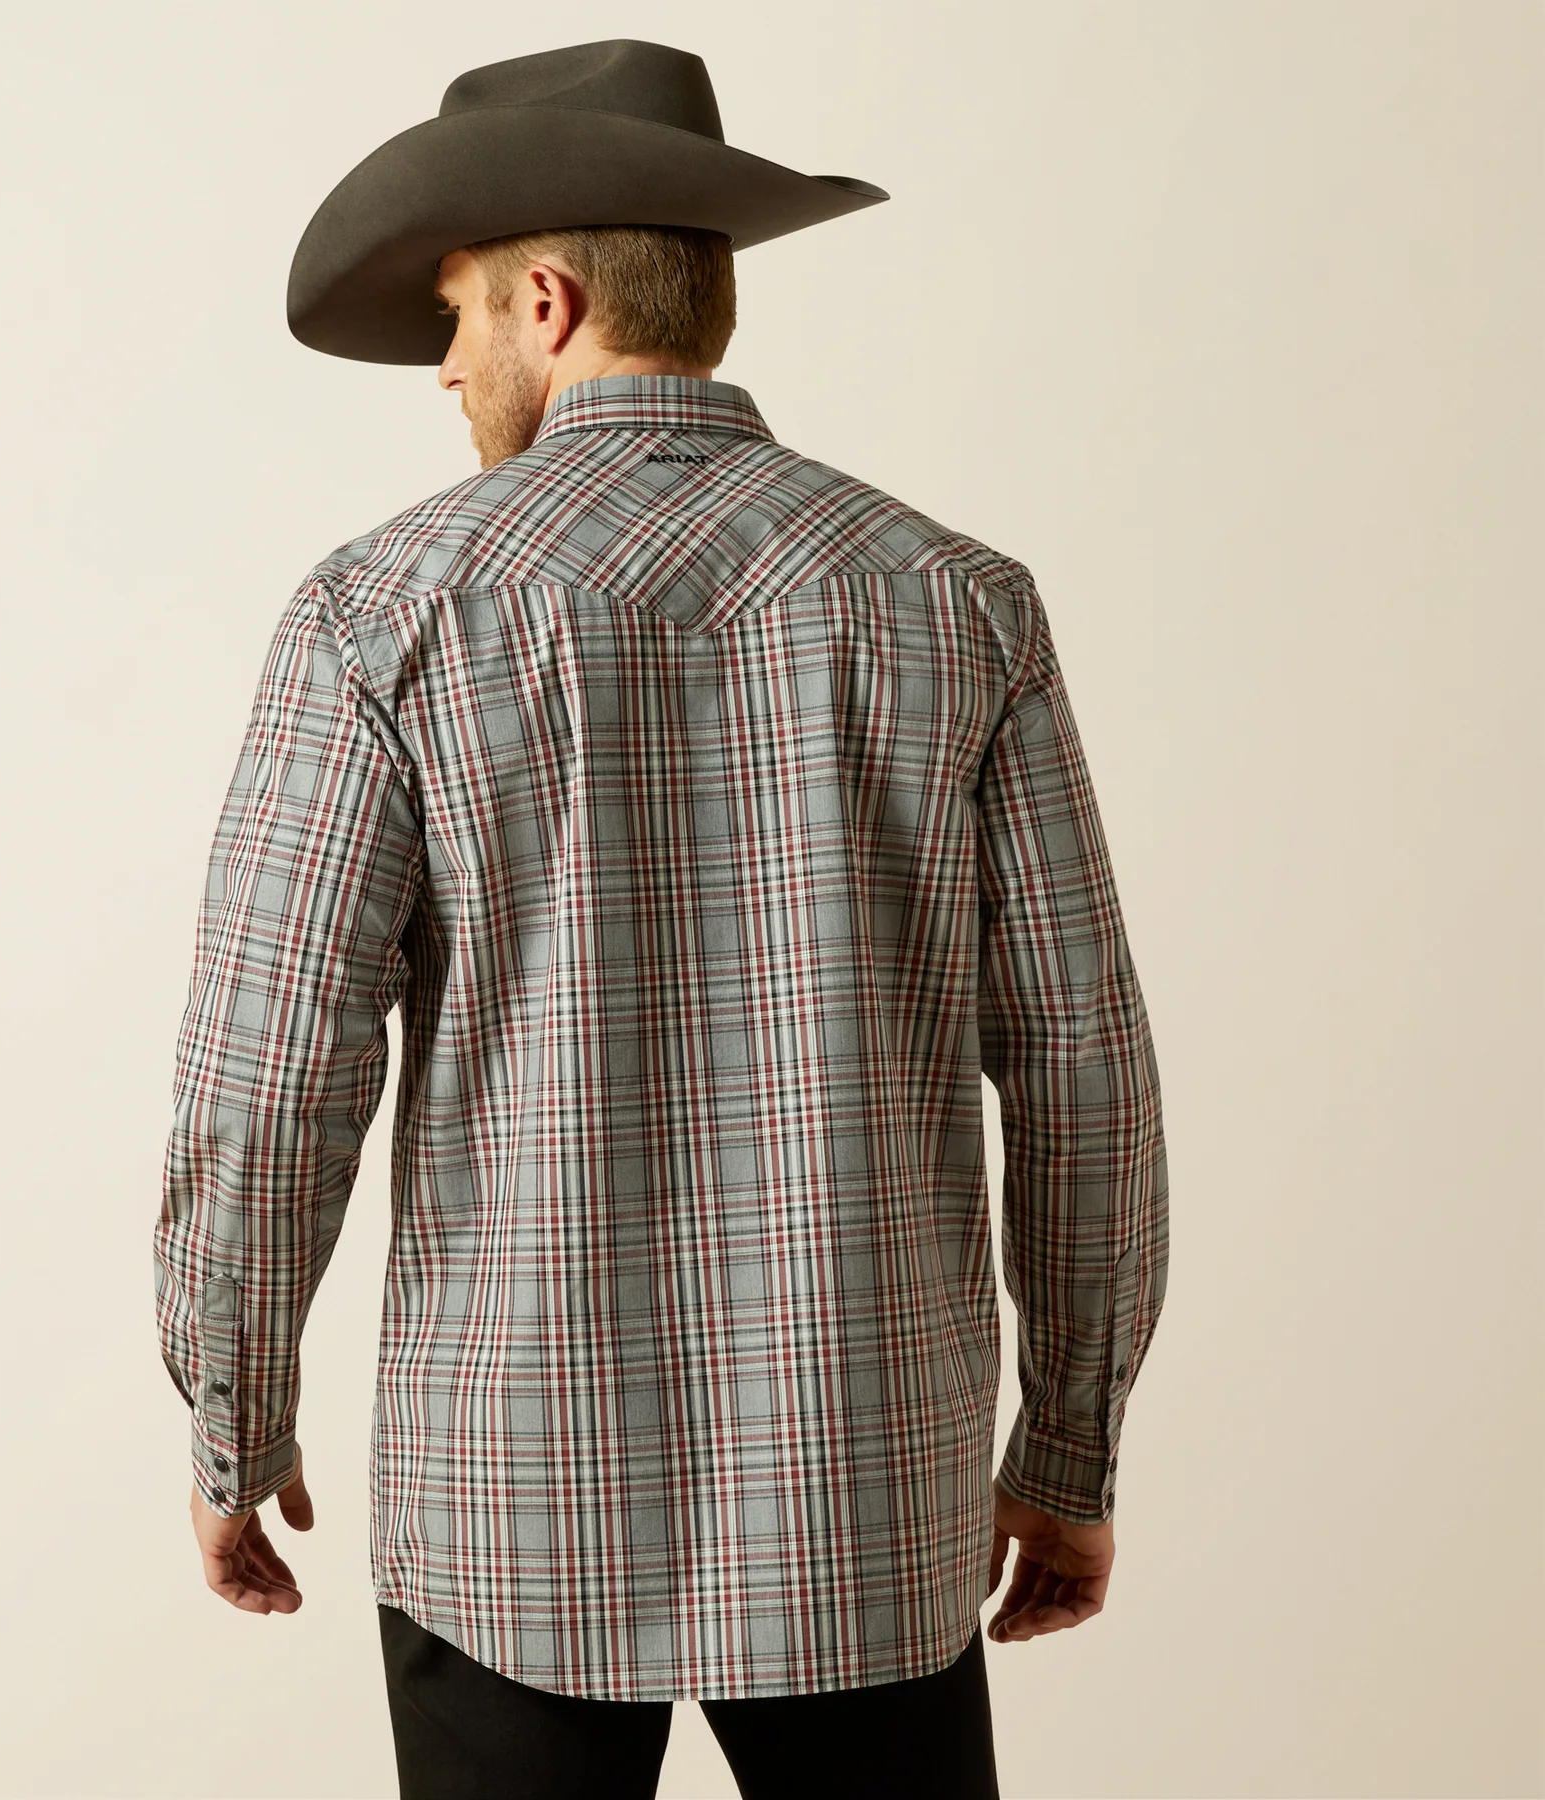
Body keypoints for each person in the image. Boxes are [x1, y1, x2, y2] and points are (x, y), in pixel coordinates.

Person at [151, 36, 1169, 1800]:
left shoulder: (381, 612)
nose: (445, 367)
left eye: (455, 315)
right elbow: (1085, 1069)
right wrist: (1070, 1449)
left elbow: (269, 1073)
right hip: (868, 1492)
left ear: (547, 303)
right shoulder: (959, 602)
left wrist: (233, 1413)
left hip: (510, 1507)